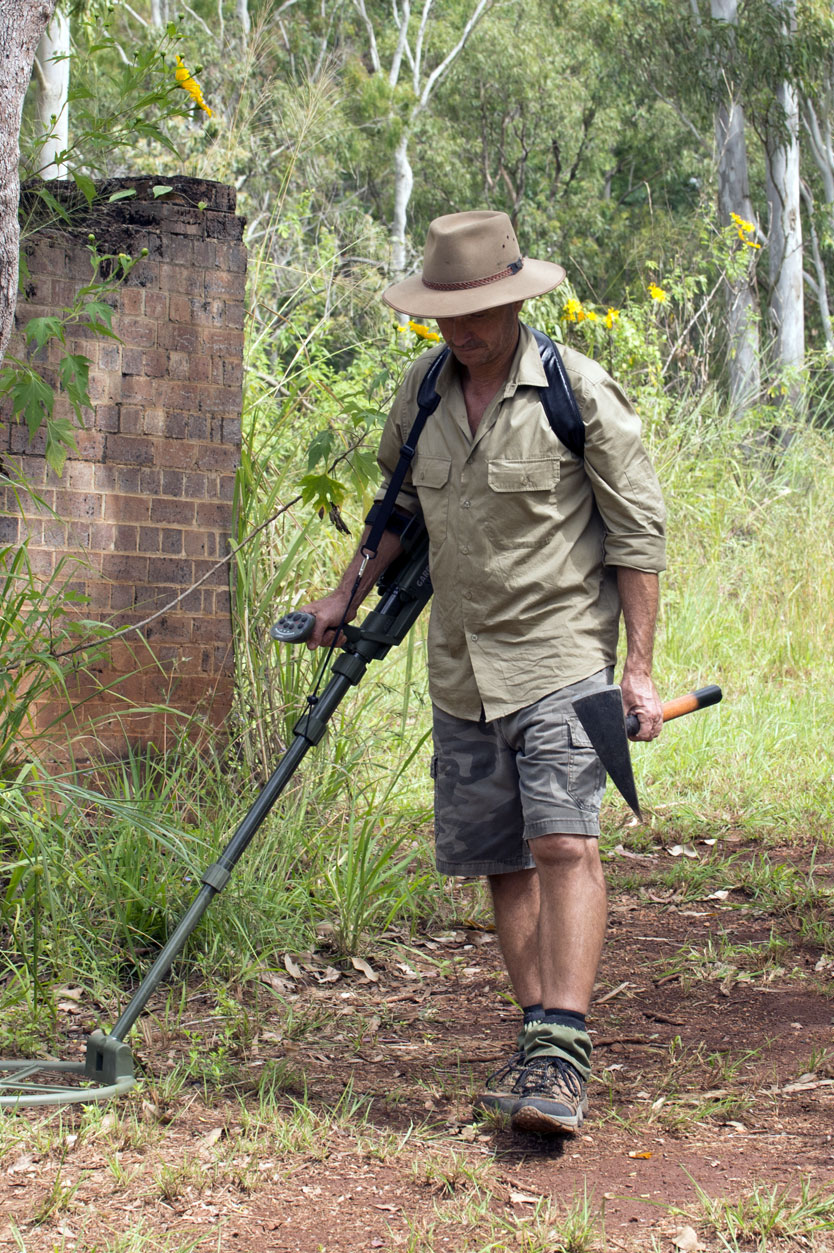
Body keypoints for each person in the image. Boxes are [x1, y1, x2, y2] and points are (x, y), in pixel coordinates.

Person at [298, 211, 666, 1136]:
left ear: (514, 299)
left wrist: (642, 669)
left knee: (562, 844)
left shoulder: (574, 392)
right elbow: (396, 510)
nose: (461, 331)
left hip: (560, 656)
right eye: (444, 316)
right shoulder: (421, 392)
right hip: (460, 666)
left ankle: (561, 1050)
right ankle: (541, 1039)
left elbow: (636, 537)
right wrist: (345, 594)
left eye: (479, 312)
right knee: (503, 861)